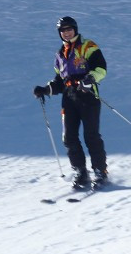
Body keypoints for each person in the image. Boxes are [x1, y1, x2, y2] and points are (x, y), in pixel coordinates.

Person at [33, 16, 109, 189]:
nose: (66, 33)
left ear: (75, 29)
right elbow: (60, 81)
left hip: (88, 95)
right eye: (63, 31)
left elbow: (101, 69)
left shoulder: (88, 46)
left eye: (69, 29)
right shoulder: (60, 54)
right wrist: (45, 89)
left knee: (91, 135)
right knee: (69, 137)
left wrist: (90, 78)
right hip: (69, 97)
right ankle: (81, 172)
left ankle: (100, 171)